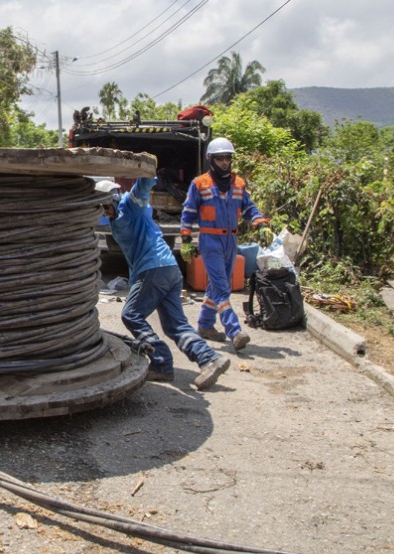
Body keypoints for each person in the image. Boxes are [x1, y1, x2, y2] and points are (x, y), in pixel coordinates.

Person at [99, 178, 230, 389]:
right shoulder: (117, 216)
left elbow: (143, 186)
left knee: (130, 314)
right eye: (101, 209)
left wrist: (145, 168)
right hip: (168, 268)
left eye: (106, 207)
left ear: (114, 198)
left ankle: (160, 360)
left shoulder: (130, 205)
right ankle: (210, 359)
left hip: (154, 269)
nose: (106, 212)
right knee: (175, 325)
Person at [180, 137, 274, 352]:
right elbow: (188, 213)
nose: (224, 162)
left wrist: (261, 225)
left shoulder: (238, 183)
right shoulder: (199, 184)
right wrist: (185, 239)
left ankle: (204, 325)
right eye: (219, 158)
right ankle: (234, 331)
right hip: (210, 241)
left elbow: (249, 208)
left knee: (216, 285)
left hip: (231, 240)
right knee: (223, 288)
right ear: (210, 160)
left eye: (227, 158)